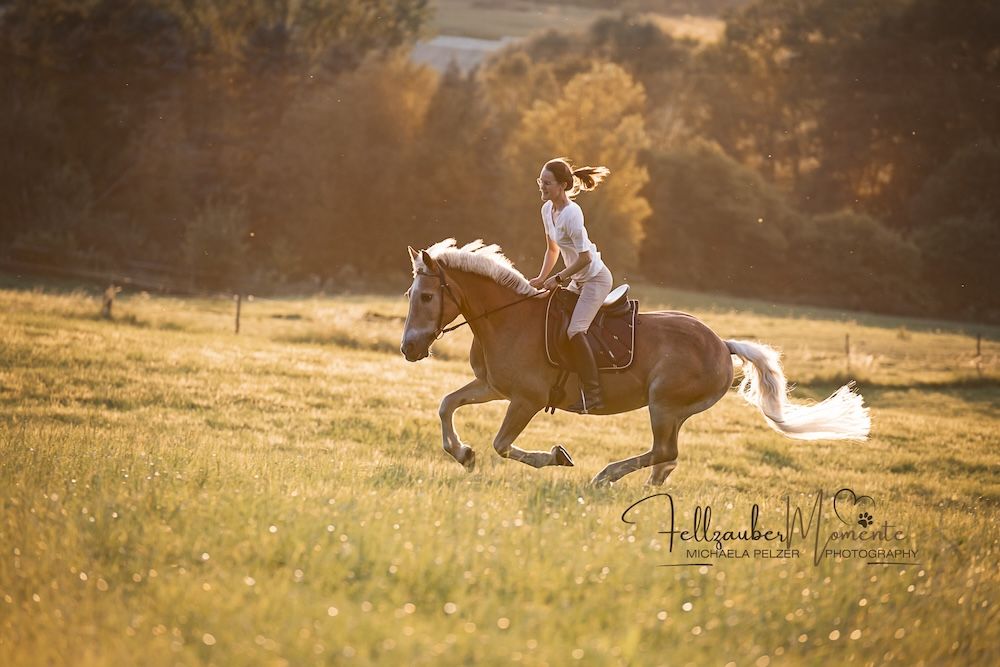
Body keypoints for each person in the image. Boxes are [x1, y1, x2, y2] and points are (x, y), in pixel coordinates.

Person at [528, 157, 612, 414]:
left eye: (547, 182)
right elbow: (552, 250)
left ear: (562, 186)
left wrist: (559, 279)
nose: (541, 186)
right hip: (575, 278)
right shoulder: (546, 211)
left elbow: (585, 258)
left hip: (595, 279)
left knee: (575, 331)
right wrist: (542, 278)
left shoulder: (572, 214)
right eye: (540, 181)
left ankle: (593, 393)